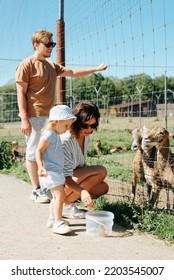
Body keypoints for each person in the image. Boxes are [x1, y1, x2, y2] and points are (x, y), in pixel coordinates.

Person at [15, 29, 107, 203]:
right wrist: (24, 118)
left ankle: (52, 189)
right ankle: (36, 189)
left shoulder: (51, 66)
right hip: (34, 115)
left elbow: (72, 72)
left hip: (51, 116)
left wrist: (95, 69)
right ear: (36, 45)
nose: (51, 47)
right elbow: (21, 92)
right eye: (47, 44)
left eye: (53, 44)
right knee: (34, 151)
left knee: (50, 152)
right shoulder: (26, 65)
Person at [60, 101, 109, 219]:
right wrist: (82, 191)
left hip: (71, 177)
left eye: (93, 126)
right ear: (76, 122)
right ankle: (65, 204)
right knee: (101, 171)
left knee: (103, 188)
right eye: (85, 125)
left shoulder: (85, 136)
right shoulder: (66, 140)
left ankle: (65, 202)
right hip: (60, 182)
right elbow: (65, 176)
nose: (89, 129)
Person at [36, 105, 76, 234]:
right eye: (66, 125)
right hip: (51, 172)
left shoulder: (55, 135)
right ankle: (58, 223)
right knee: (60, 196)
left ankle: (52, 218)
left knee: (55, 197)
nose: (67, 129)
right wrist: (40, 166)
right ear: (57, 121)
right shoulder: (49, 134)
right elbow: (38, 150)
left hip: (56, 172)